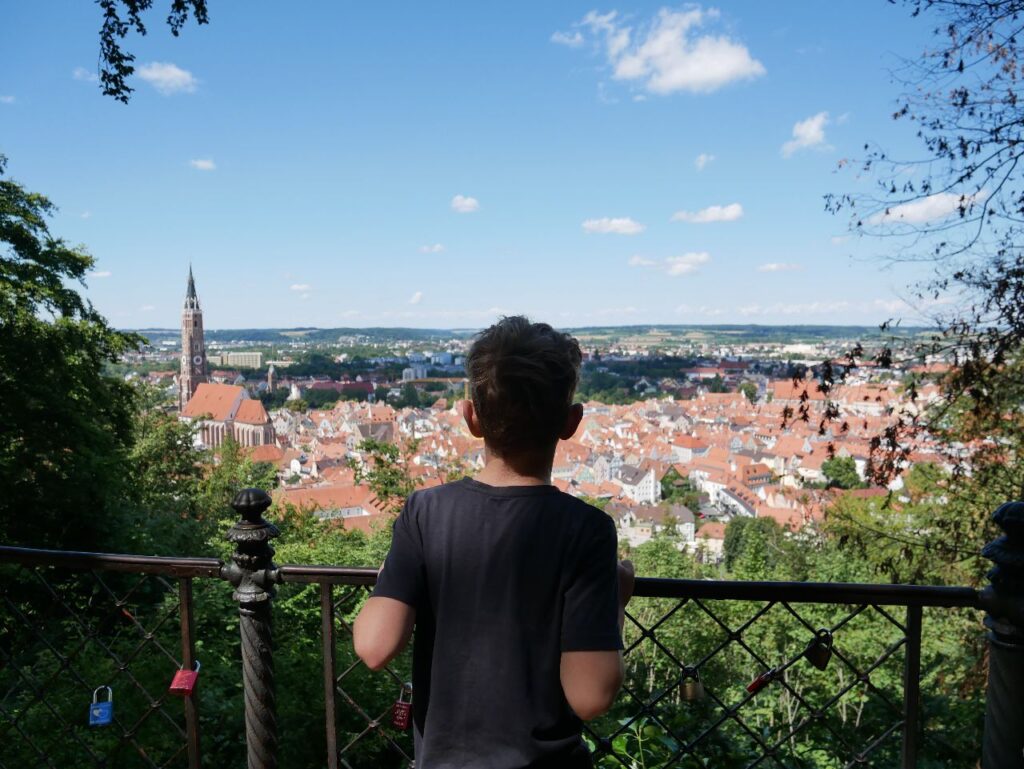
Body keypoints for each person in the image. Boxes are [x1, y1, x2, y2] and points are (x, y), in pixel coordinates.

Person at [353, 315, 634, 769]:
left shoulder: (425, 513)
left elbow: (372, 647)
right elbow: (590, 696)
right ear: (571, 422)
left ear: (471, 418)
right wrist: (613, 605)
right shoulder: (586, 530)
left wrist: (399, 575)